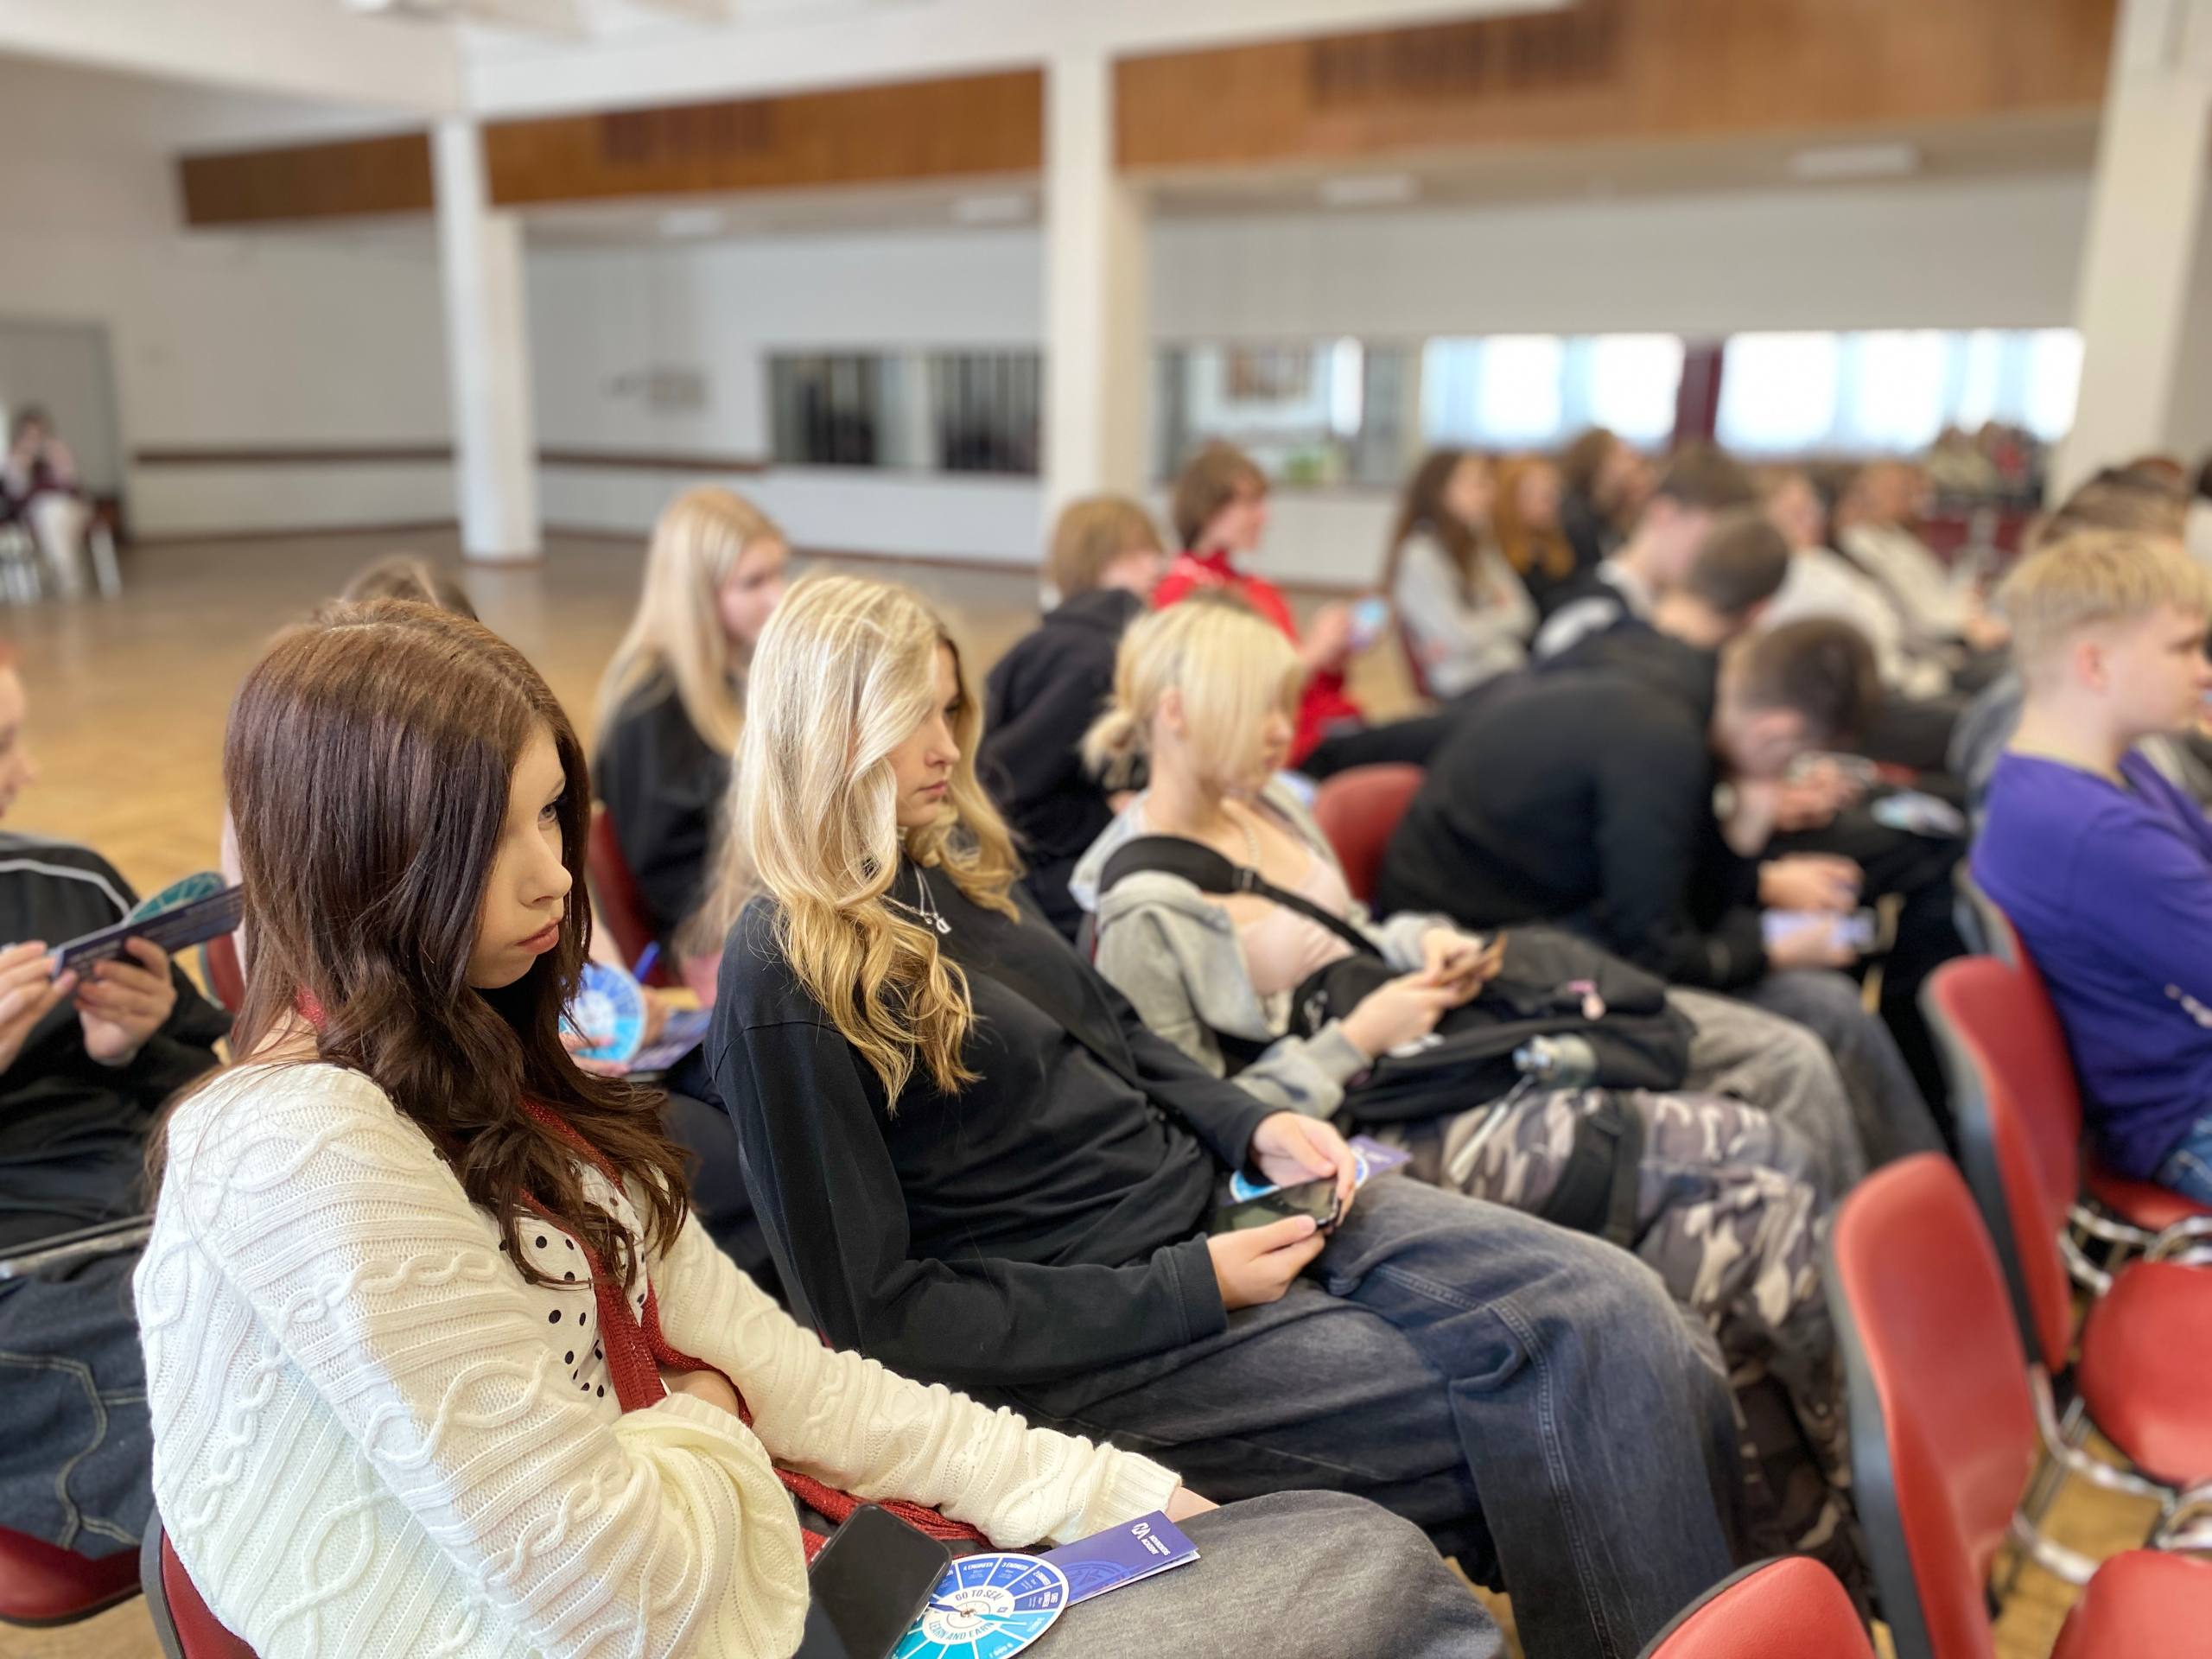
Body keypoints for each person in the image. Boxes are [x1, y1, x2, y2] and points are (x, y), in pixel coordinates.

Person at [137, 598, 1503, 1659]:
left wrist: (1091, 1490)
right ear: (370, 858)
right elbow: (605, 1590)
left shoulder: (505, 1085)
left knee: (1339, 1551)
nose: (555, 875)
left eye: (553, 815)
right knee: (1366, 1579)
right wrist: (711, 1419)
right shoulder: (302, 1145)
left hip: (804, 1570)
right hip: (725, 1608)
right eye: (496, 836)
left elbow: (799, 1380)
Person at [705, 571, 1752, 1659]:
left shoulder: (938, 871)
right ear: (828, 730)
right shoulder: (783, 972)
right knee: (1576, 1397)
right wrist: (1189, 1286)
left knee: (1632, 1316)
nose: (944, 745)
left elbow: (1119, 1031)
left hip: (1229, 1202)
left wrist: (1249, 1123)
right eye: (911, 716)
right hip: (1117, 1330)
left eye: (948, 708)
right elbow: (878, 1320)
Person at [1068, 601, 1859, 1570]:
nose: (1282, 732)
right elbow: (1205, 1117)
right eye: (1258, 709)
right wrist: (1358, 1037)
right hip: (1368, 1127)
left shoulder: (1265, 807)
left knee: (1755, 1182)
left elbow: (1356, 932)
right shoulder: (1141, 907)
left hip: (1429, 1062)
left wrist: (1425, 944)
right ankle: (1804, 1529)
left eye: (1284, 707)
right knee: (1742, 1189)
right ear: (1177, 713)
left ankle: (1783, 1529)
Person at [1379, 619, 1943, 1184]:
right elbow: (1655, 954)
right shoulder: (1663, 747)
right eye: (1797, 758)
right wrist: (1769, 948)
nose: (1791, 775)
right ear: (1777, 732)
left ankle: (1922, 1200)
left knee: (1827, 1002)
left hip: (1543, 920)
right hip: (1476, 955)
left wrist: (1749, 830)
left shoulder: (1681, 690)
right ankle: (1869, 1227)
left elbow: (1680, 899)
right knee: (1799, 1049)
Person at [0, 645, 227, 1564]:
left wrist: (142, 1037)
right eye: (1, 747)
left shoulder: (71, 882)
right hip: (28, 1291)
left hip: (160, 1229)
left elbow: (202, 1091)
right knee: (235, 1392)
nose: (25, 772)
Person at [1971, 530, 2212, 1205]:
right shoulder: (2093, 831)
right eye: (2183, 649)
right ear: (2095, 664)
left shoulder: (2099, 771)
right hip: (2186, 1116)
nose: (2204, 671)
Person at [1155, 442, 1453, 778]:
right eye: (1250, 504)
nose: (1264, 517)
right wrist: (1313, 653)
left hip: (1322, 727)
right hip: (1289, 746)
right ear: (1208, 507)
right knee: (1450, 735)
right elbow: (1233, 693)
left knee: (1449, 733)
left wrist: (1334, 654)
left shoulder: (1256, 587)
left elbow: (1304, 682)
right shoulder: (1185, 593)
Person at [594, 486, 789, 957]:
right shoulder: (651, 705)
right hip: (716, 940)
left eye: (779, 573)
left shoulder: (740, 669)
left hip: (759, 910)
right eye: (753, 583)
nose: (779, 597)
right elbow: (675, 886)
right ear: (697, 594)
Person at [980, 496, 1166, 938]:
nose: (1156, 566)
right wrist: (1107, 812)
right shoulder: (1091, 660)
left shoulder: (1072, 644)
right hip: (1043, 882)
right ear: (1092, 561)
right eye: (1135, 554)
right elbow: (1004, 787)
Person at [1533, 444, 1759, 661]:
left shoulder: (1669, 610)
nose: (1715, 558)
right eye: (1709, 540)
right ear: (1665, 513)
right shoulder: (1588, 618)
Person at [1383, 448, 1537, 701]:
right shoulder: (1419, 556)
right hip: (1466, 685)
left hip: (1508, 669)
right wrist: (1498, 612)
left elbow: (1525, 615)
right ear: (1441, 492)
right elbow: (1459, 638)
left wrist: (1475, 623)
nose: (1490, 492)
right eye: (1477, 483)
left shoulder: (1480, 546)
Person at [3, 407, 92, 598]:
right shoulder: (15, 456)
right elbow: (15, 494)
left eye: (38, 432)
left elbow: (71, 483)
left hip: (69, 507)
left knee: (54, 514)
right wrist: (22, 466)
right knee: (49, 514)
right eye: (29, 433)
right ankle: (66, 574)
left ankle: (61, 572)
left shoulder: (57, 449)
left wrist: (57, 458)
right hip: (36, 512)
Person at [1556, 428, 1652, 588]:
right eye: (1621, 457)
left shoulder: (1608, 514)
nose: (1633, 464)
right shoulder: (1575, 521)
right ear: (1597, 463)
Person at [1491, 454, 1578, 616]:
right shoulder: (1496, 555)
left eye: (1554, 494)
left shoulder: (1562, 542)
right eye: (1544, 496)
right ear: (1512, 499)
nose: (1552, 503)